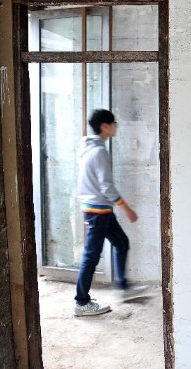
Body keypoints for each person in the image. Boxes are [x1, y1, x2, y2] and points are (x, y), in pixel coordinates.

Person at [74, 109, 148, 317]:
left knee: (121, 242)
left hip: (101, 209)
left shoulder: (90, 148)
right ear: (105, 126)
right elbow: (106, 186)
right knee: (91, 256)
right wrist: (127, 208)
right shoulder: (99, 152)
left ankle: (123, 287)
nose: (116, 127)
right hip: (97, 211)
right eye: (113, 123)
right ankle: (81, 302)